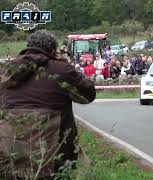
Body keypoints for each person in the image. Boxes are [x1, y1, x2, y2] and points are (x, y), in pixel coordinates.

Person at [0, 30, 96, 179]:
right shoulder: (61, 69)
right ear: (53, 50)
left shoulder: (6, 70)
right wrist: (69, 69)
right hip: (52, 158)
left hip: (9, 155)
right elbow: (87, 96)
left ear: (28, 46)